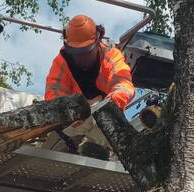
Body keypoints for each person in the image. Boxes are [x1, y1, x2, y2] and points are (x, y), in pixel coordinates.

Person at [43, 14, 135, 155]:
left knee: (101, 134)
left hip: (105, 121)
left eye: (85, 51)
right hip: (72, 122)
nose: (81, 56)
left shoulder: (111, 56)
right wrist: (73, 114)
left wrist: (108, 105)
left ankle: (93, 150)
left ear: (98, 40)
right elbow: (53, 95)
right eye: (76, 52)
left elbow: (124, 85)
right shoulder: (61, 62)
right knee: (55, 147)